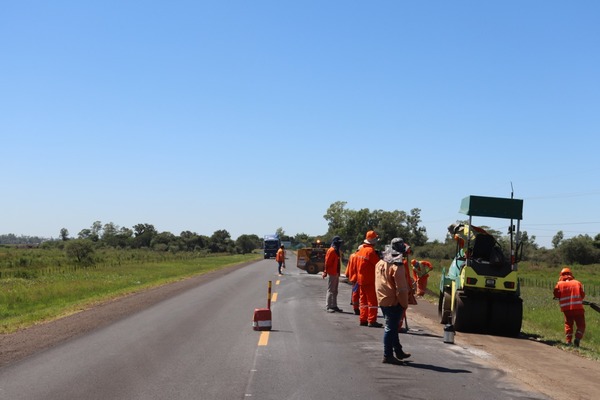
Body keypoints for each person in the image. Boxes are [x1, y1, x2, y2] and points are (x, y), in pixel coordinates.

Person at [375, 238, 412, 364]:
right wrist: (404, 304)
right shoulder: (398, 266)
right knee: (390, 328)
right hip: (393, 302)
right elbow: (401, 289)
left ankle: (398, 351)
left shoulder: (380, 262)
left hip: (383, 298)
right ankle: (388, 355)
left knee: (393, 327)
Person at [553, 267, 586, 347]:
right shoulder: (577, 283)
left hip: (567, 309)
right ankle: (577, 338)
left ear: (561, 275)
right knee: (581, 325)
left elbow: (556, 294)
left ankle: (568, 341)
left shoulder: (559, 284)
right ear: (571, 275)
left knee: (568, 324)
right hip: (578, 308)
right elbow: (582, 295)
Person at [356, 231, 383, 327]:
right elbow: (378, 264)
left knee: (363, 300)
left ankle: (363, 319)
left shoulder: (361, 250)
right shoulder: (370, 251)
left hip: (361, 279)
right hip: (369, 279)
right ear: (373, 240)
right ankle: (372, 320)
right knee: (372, 301)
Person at [323, 236, 344, 313]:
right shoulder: (331, 250)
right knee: (330, 290)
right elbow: (327, 262)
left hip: (336, 273)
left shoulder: (337, 251)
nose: (340, 244)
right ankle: (328, 306)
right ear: (335, 242)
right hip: (331, 273)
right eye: (338, 242)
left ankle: (334, 305)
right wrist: (325, 272)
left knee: (335, 290)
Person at [344, 245, 362, 315]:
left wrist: (347, 273)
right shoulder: (359, 256)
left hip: (353, 278)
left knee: (355, 293)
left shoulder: (352, 256)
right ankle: (358, 308)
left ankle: (355, 307)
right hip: (359, 278)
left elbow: (349, 265)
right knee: (360, 294)